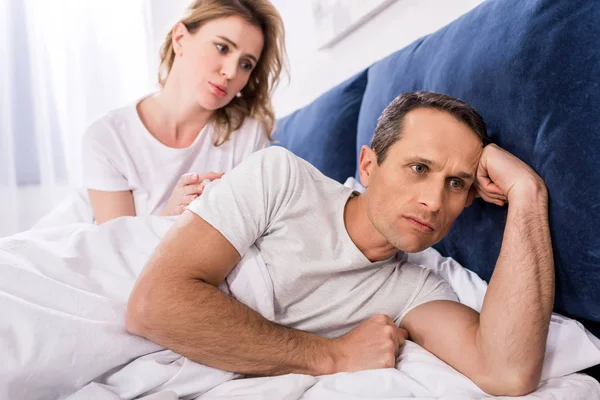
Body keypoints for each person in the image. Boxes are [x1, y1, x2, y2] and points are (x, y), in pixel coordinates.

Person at [126, 91, 554, 397]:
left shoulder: (414, 290)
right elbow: (153, 302)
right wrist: (332, 356)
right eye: (418, 167)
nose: (433, 201)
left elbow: (508, 373)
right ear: (368, 165)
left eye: (456, 183)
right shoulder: (282, 179)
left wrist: (527, 193)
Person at [82, 0, 286, 223]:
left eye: (246, 64)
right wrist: (171, 217)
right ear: (179, 39)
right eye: (222, 48)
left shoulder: (247, 133)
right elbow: (118, 249)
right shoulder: (107, 138)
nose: (230, 72)